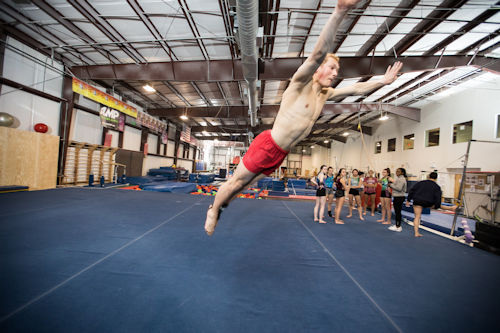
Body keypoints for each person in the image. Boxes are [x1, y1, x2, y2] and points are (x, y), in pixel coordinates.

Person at [204, 0, 403, 236]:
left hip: (281, 152)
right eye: (331, 68)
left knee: (247, 184)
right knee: (236, 183)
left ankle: (222, 203)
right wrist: (339, 12)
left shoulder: (325, 93)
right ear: (318, 69)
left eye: (336, 71)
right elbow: (318, 53)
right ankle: (213, 210)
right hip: (268, 145)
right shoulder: (300, 83)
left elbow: (357, 90)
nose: (334, 73)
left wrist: (383, 81)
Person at [406, 172, 457, 237]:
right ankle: (450, 208)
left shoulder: (420, 183)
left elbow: (412, 190)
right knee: (438, 205)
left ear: (429, 176)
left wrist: (408, 200)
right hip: (428, 202)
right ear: (436, 178)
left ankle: (416, 233)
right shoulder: (437, 186)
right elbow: (438, 198)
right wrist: (437, 206)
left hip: (418, 201)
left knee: (417, 217)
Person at [388, 168, 407, 232]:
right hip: (397, 197)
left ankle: (398, 226)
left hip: (399, 197)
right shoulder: (398, 178)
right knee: (397, 212)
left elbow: (399, 188)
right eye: (396, 171)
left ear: (402, 173)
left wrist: (391, 185)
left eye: (398, 171)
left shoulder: (401, 179)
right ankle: (397, 225)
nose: (396, 172)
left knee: (398, 212)